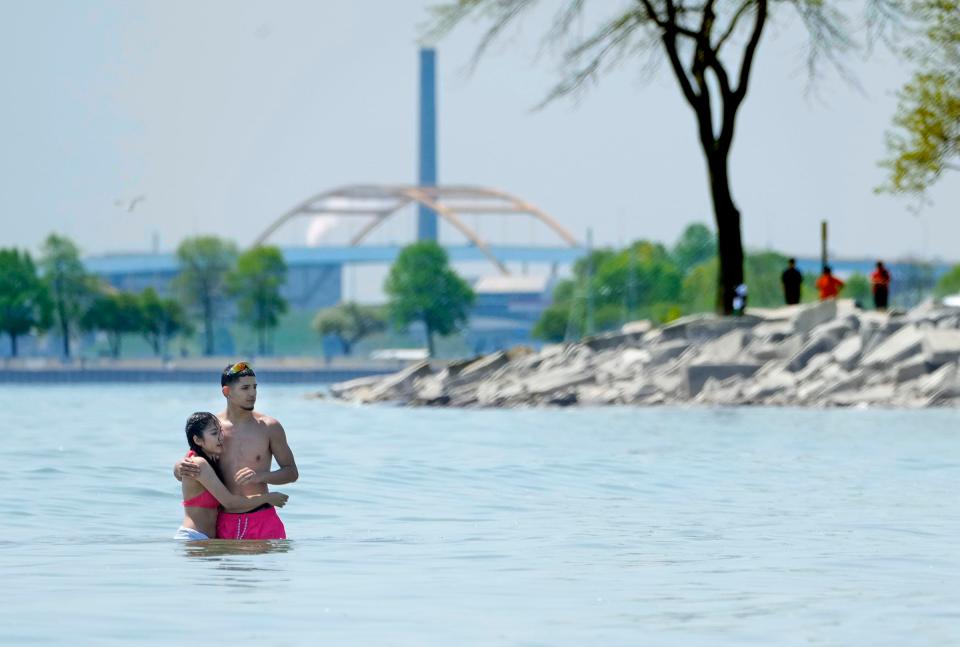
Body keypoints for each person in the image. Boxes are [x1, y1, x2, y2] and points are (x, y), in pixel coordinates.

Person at [175, 362, 299, 539]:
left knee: (271, 566)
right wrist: (178, 466)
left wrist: (260, 476)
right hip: (224, 523)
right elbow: (191, 465)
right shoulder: (213, 428)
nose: (252, 394)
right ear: (227, 392)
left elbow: (292, 472)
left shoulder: (270, 427)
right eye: (245, 388)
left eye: (255, 387)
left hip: (263, 519)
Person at [175, 412, 289, 541]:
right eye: (214, 433)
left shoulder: (207, 461)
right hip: (194, 537)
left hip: (204, 539)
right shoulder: (198, 463)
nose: (221, 438)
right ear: (197, 440)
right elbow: (230, 503)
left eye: (220, 432)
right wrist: (267, 498)